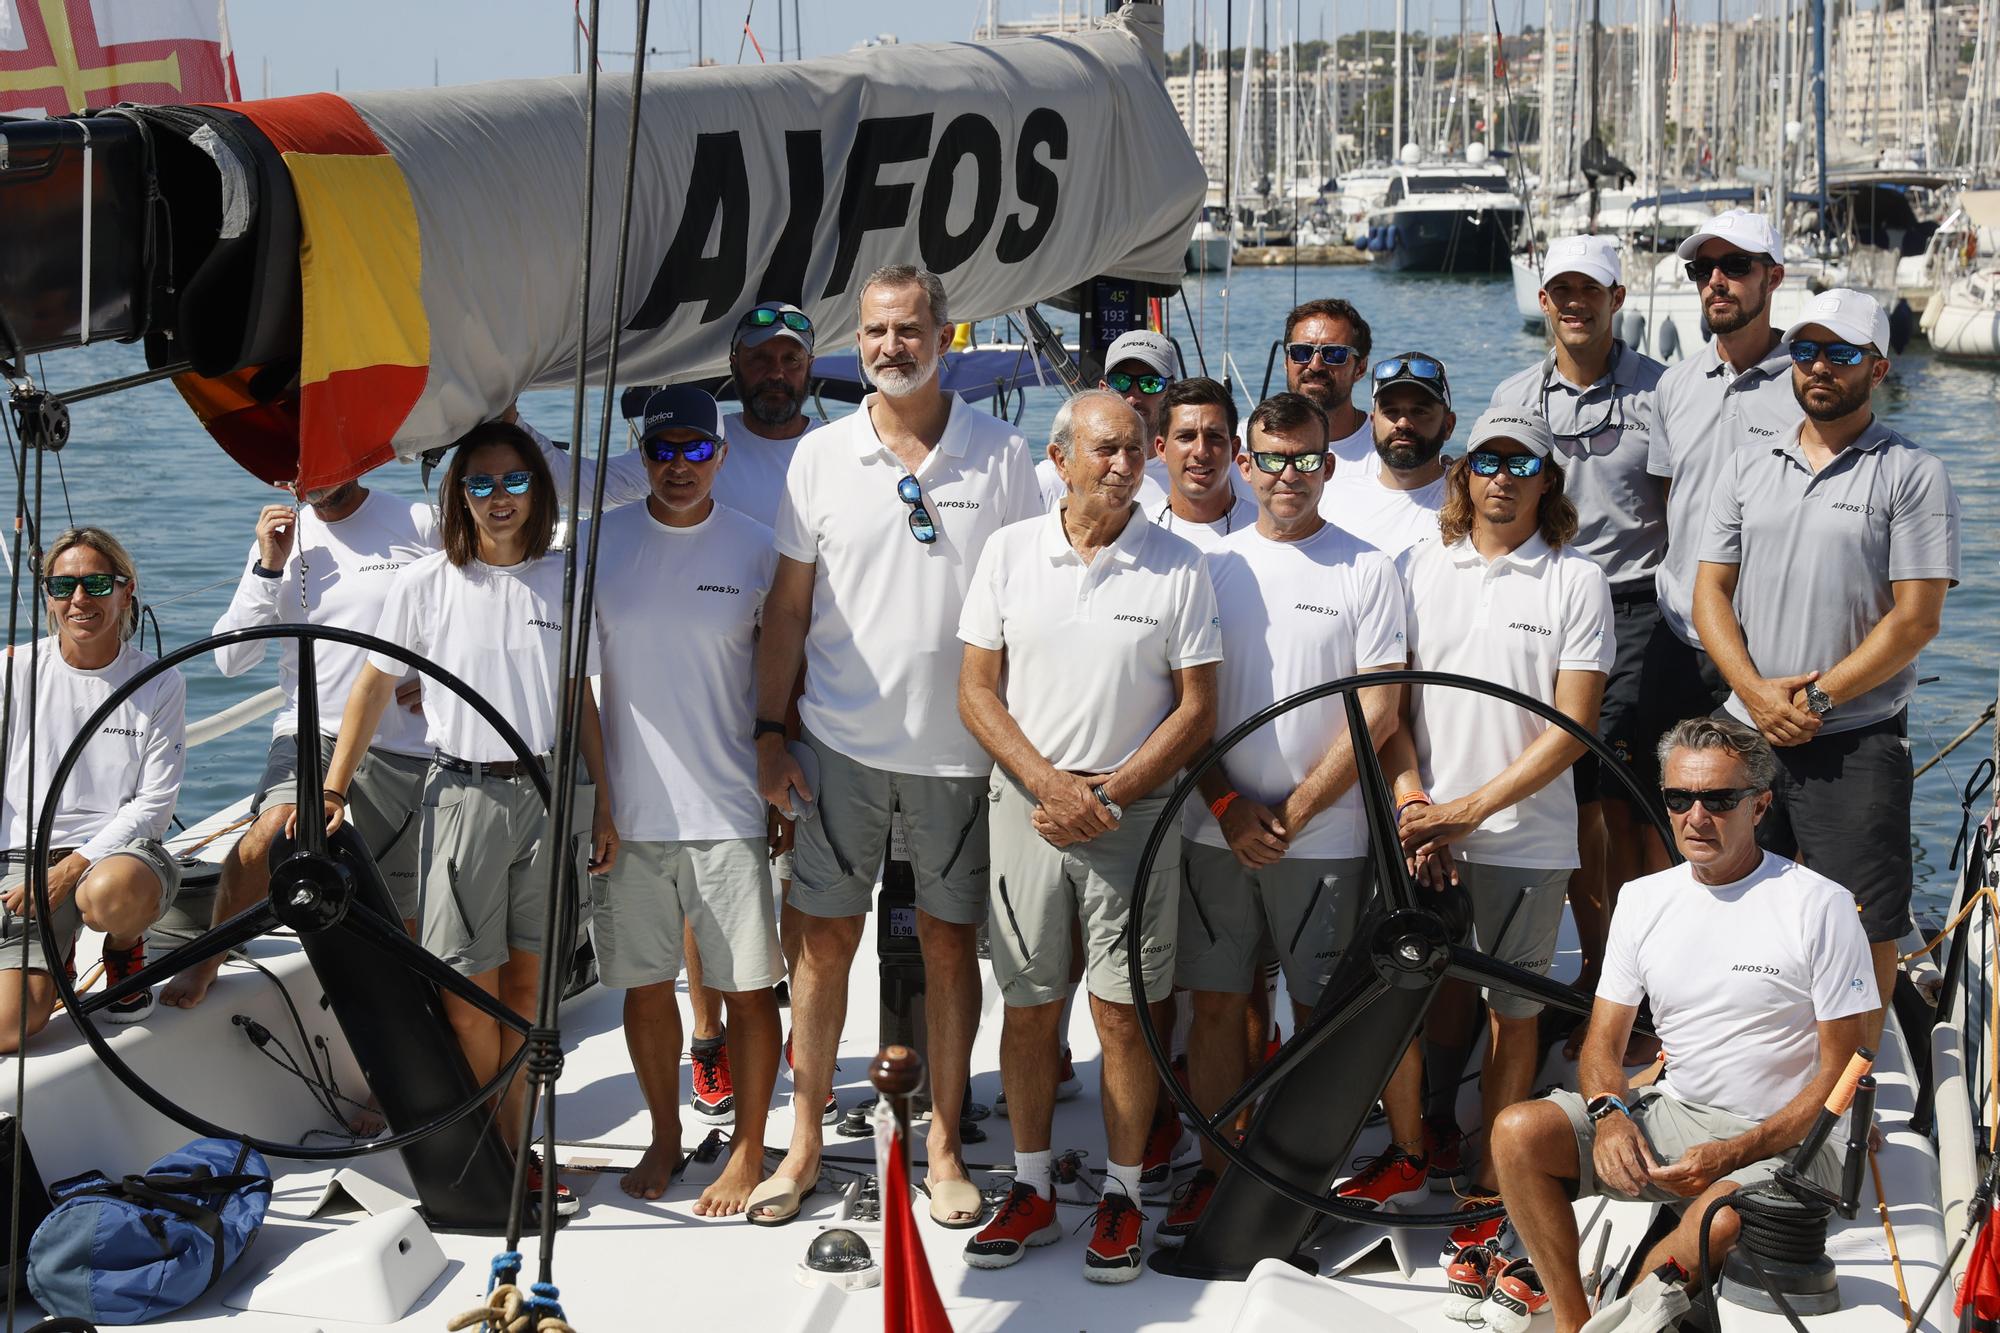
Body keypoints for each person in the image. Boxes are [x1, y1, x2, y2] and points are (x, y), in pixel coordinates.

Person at [753, 264, 1040, 1228]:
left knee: (955, 949)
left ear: (944, 335)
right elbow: (788, 611)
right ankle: (802, 1139)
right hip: (837, 748)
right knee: (822, 947)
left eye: (908, 330)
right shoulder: (819, 459)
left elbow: (1029, 616)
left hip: (963, 758)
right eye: (874, 332)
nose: (889, 347)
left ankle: (947, 1142)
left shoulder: (1005, 457)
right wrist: (768, 733)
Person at [314, 421, 619, 1216]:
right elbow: (373, 688)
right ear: (457, 496)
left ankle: (514, 1150)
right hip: (463, 797)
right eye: (478, 483)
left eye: (513, 481)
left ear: (539, 491)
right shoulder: (423, 584)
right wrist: (333, 787)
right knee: (465, 988)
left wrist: (606, 803)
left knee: (529, 985)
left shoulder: (568, 579)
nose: (498, 498)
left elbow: (582, 698)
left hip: (553, 795)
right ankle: (488, 1149)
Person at [1488, 718, 1877, 1333]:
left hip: (1797, 1136)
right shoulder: (1642, 901)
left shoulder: (1819, 905)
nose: (1695, 816)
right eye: (1678, 799)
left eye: (1718, 800)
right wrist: (1609, 1114)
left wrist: (1734, 1153)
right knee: (1517, 1133)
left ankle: (1618, 1322)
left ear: (1761, 806)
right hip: (1679, 1114)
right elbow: (1601, 1046)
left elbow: (1843, 1073)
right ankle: (1572, 1320)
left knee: (1719, 1214)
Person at [956, 390, 1219, 1282]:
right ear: (1060, 456)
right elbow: (978, 692)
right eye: (1105, 449)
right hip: (1029, 805)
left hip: (1131, 814)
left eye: (1135, 450)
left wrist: (1107, 795)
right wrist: (1050, 785)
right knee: (1030, 1007)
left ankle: (1121, 1192)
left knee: (1124, 1013)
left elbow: (1197, 709)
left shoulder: (1180, 566)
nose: (1124, 464)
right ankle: (1029, 1187)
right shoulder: (1005, 552)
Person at [1350, 409, 1611, 1225]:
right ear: (1463, 473)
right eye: (1488, 460)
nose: (1503, 476)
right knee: (1417, 993)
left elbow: (1574, 728)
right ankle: (1420, 1134)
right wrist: (1417, 805)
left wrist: (1462, 813)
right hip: (1423, 829)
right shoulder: (1414, 564)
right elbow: (1390, 711)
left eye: (1522, 463)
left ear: (1548, 480)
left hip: (1528, 841)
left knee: (1516, 1012)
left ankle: (1498, 1181)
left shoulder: (1579, 579)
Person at [1161, 392, 1407, 1245]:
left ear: (1328, 465)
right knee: (1219, 1007)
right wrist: (1228, 806)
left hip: (1325, 837)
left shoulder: (1369, 569)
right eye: (1271, 458)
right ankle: (1222, 1172)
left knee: (1317, 1012)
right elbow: (1180, 707)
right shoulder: (1208, 567)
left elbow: (1378, 710)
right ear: (1245, 465)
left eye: (1304, 459)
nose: (1287, 475)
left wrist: (1294, 812)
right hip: (1212, 831)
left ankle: (1299, 1185)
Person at [1694, 287, 1959, 1045]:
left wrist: (1813, 699)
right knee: (1734, 894)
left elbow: (1917, 619)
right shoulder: (1748, 463)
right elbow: (1711, 588)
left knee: (1864, 916)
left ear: (1876, 369)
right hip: (1748, 728)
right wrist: (1751, 693)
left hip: (1855, 733)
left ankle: (1852, 1082)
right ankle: (1747, 1045)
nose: (1818, 366)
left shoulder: (1913, 472)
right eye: (1806, 350)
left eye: (1840, 354)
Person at [584, 385, 785, 1216]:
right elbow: (570, 684)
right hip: (630, 814)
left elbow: (788, 671)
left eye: (696, 450)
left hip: (731, 805)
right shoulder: (600, 542)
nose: (678, 464)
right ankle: (665, 1134)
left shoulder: (760, 548)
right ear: (642, 457)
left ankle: (745, 1146)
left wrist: (779, 774)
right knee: (641, 984)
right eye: (662, 449)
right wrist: (601, 799)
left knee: (746, 990)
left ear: (721, 456)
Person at [166, 476, 436, 1011]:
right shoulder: (282, 539)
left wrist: (432, 675)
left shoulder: (420, 523)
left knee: (398, 904)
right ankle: (211, 956)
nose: (320, 482)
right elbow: (231, 661)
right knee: (267, 833)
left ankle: (411, 1022)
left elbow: (471, 606)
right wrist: (268, 565)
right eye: (304, 470)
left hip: (403, 740)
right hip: (312, 729)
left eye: (332, 465)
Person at [1487, 234, 1666, 1016]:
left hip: (1632, 608)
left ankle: (1622, 977)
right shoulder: (1517, 395)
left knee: (1619, 805)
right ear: (1544, 298)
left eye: (1589, 290)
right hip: (1538, 603)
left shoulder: (1663, 393)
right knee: (1572, 799)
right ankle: (1599, 970)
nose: (1573, 303)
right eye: (1560, 289)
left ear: (1617, 299)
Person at [0, 528, 184, 1048]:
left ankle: (124, 951)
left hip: (115, 858)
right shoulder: (13, 670)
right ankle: (55, 955)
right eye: (64, 587)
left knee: (110, 895)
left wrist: (70, 869)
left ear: (126, 591)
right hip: (20, 860)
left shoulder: (159, 681)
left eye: (97, 584)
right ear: (49, 596)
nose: (79, 599)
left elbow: (154, 807)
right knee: (12, 1027)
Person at [1646, 211, 1800, 752]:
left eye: (1735, 265)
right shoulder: (1673, 385)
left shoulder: (1809, 388)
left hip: (1769, 647)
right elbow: (1673, 498)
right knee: (1664, 814)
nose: (1715, 280)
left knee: (1770, 817)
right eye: (1702, 268)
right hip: (1679, 635)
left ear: (1773, 277)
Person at [1325, 351, 1455, 557]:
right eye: (1390, 411)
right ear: (1372, 421)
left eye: (1419, 411)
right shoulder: (1330, 500)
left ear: (1448, 425)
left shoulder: (1469, 499)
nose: (1403, 423)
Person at [1035, 328, 1177, 511]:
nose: (1133, 397)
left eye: (1151, 383)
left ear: (1173, 392)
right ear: (1104, 389)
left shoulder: (1191, 476)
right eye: (1120, 381)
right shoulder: (1053, 478)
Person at [1150, 376, 1258, 548]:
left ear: (1234, 449)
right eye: (1186, 437)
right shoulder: (1139, 534)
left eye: (1214, 437)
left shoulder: (1267, 532)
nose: (1201, 451)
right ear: (1162, 449)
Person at [1277, 297, 1374, 476]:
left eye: (1335, 354)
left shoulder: (1385, 453)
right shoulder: (1245, 444)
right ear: (1286, 362)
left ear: (1360, 368)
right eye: (1301, 352)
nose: (1315, 365)